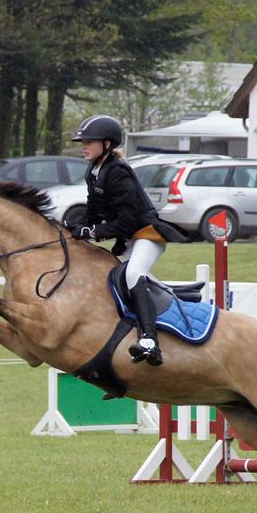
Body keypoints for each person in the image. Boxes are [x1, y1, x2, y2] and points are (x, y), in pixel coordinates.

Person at [68, 114, 188, 366]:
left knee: (133, 274)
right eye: (83, 142)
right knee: (112, 279)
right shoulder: (95, 171)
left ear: (107, 145)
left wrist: (92, 232)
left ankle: (149, 340)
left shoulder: (118, 171)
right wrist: (77, 228)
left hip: (146, 234)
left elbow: (127, 221)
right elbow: (93, 208)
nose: (84, 146)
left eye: (89, 142)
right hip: (128, 238)